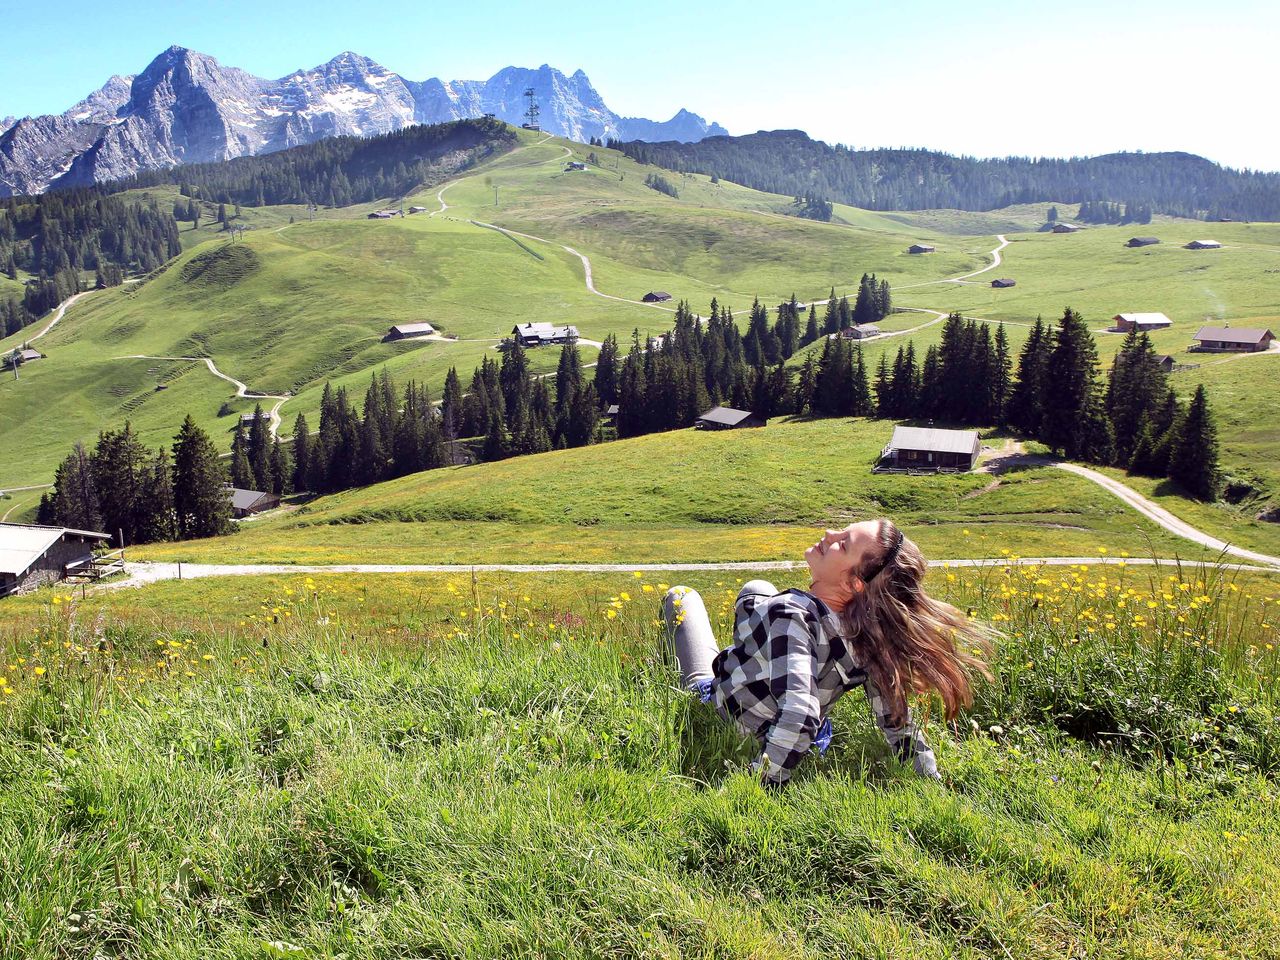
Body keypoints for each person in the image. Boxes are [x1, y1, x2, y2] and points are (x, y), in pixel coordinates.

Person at [663, 519, 991, 787]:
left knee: (681, 597)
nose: (829, 533)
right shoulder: (868, 634)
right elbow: (896, 722)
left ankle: (721, 674)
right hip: (808, 741)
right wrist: (930, 777)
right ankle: (748, 655)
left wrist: (766, 779)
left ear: (854, 584)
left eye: (843, 543)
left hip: (734, 717)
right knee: (754, 589)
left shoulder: (791, 614)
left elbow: (801, 713)